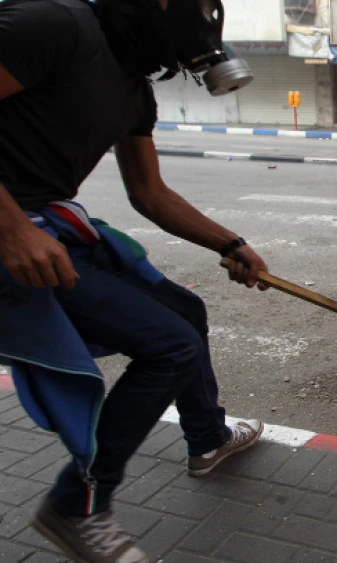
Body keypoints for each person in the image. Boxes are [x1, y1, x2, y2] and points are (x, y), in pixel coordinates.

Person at [0, 0, 268, 561]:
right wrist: (12, 229)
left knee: (185, 314)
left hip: (44, 226)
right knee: (169, 346)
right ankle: (76, 506)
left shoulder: (134, 91)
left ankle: (209, 439)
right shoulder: (56, 25)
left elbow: (150, 193)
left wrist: (232, 245)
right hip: (13, 233)